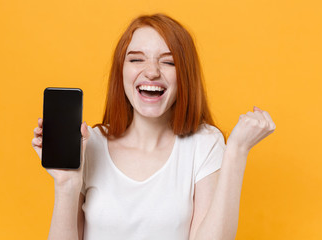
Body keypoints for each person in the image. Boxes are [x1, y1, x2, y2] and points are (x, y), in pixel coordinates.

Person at [32, 13, 275, 240]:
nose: (151, 72)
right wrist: (66, 184)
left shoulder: (204, 144)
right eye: (137, 59)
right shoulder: (89, 144)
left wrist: (237, 151)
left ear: (185, 77)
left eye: (168, 62)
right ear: (121, 71)